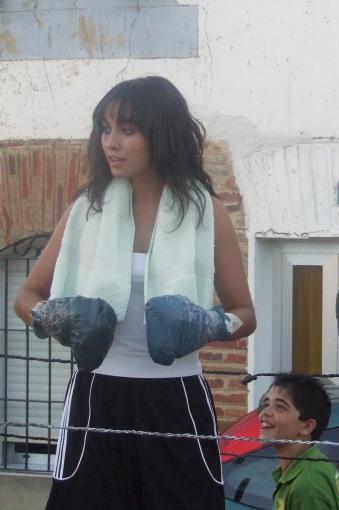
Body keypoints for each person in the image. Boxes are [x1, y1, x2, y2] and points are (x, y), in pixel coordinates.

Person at [13, 76, 256, 510]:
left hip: (176, 397)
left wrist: (207, 324)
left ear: (161, 134)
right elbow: (26, 297)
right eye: (105, 129)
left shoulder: (206, 213)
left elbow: (245, 313)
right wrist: (55, 318)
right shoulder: (87, 208)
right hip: (96, 395)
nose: (111, 142)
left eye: (127, 130)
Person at [259, 373, 339, 510]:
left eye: (280, 407)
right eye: (266, 404)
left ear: (307, 426)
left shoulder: (308, 485)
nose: (264, 413)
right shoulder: (311, 465)